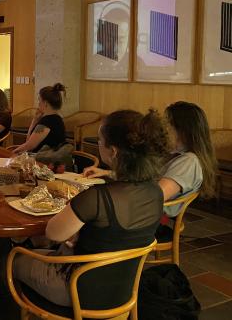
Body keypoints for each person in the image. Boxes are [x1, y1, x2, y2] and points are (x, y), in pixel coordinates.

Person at [13, 109, 167, 307]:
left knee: (13, 257)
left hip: (78, 289)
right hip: (123, 290)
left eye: (100, 141)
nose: (98, 144)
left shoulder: (95, 198)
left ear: (113, 151)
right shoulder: (155, 192)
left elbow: (53, 233)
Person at [84, 102, 217, 217]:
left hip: (150, 219)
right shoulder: (177, 154)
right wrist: (108, 173)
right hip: (144, 212)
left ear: (182, 130)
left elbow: (153, 197)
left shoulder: (189, 162)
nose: (162, 129)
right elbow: (146, 179)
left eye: (166, 124)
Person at [12, 83, 66, 154]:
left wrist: (11, 153)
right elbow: (28, 141)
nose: (38, 103)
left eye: (39, 100)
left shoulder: (47, 122)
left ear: (45, 103)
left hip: (44, 162)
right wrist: (35, 120)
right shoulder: (57, 118)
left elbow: (29, 146)